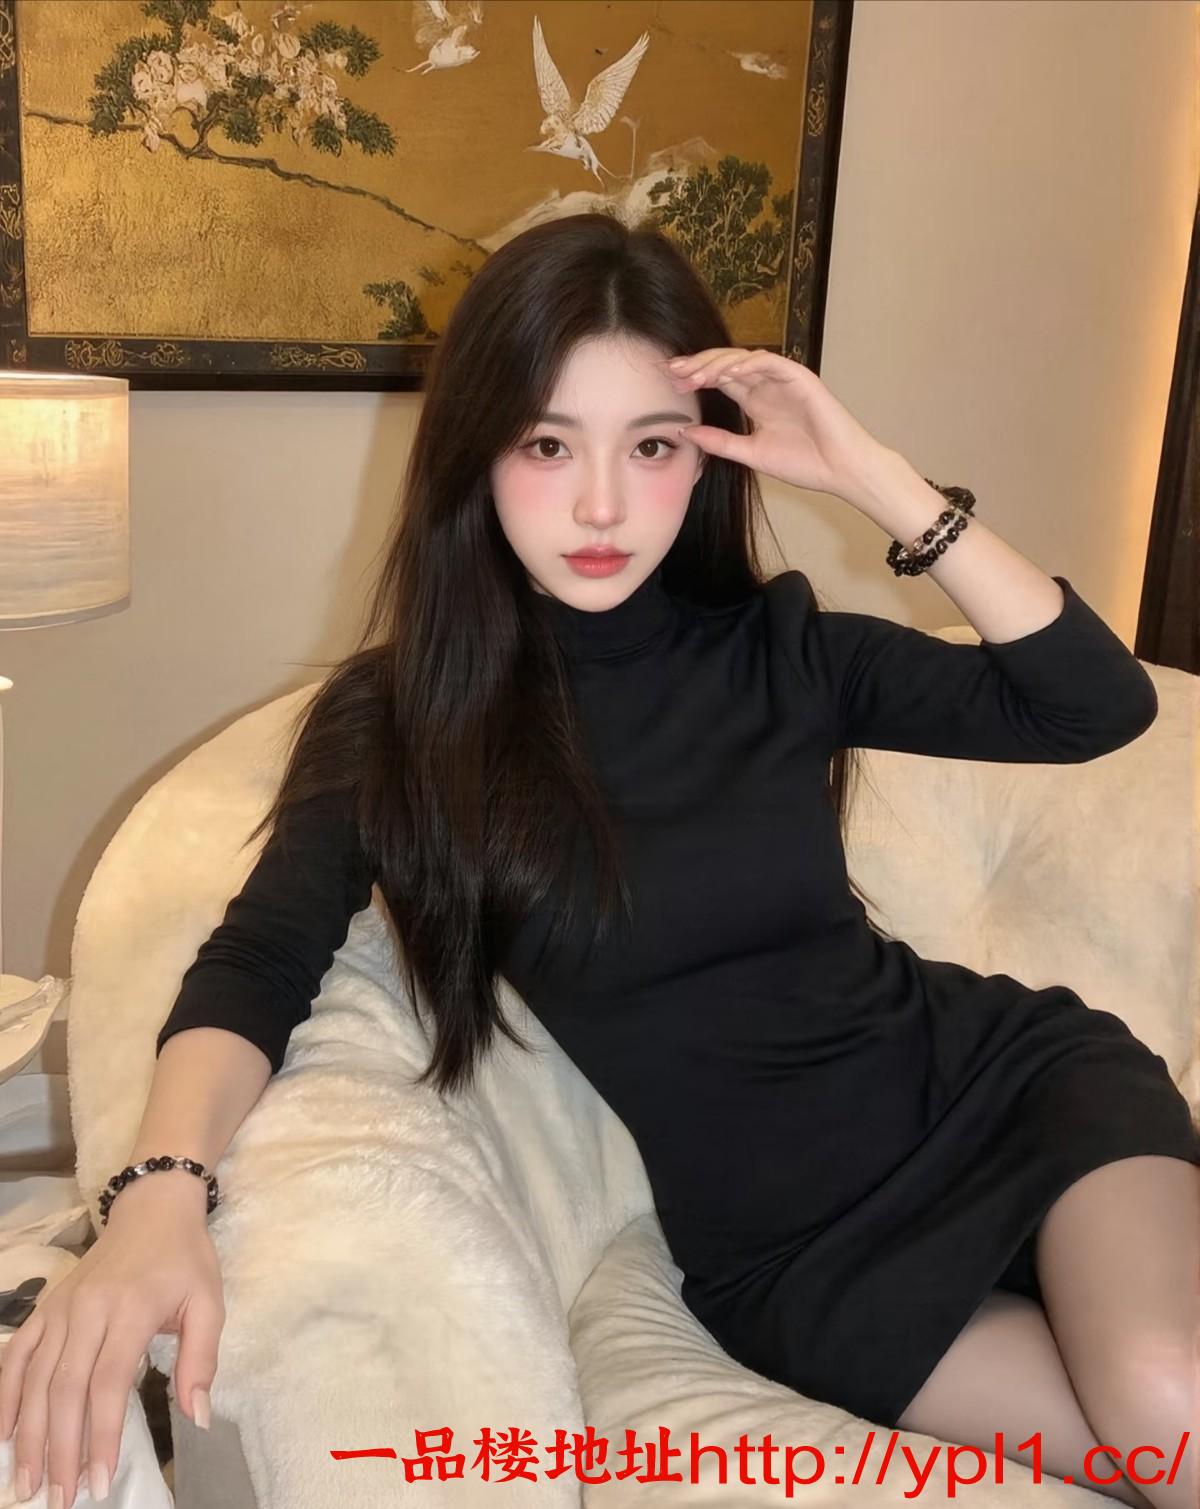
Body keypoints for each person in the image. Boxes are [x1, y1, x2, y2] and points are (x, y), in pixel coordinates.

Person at [3, 212, 1197, 1509]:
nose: (601, 506)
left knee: (1165, 1399)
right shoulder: (400, 721)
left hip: (1006, 1095)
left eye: (653, 446)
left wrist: (876, 478)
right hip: (800, 1259)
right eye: (547, 444)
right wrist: (159, 1194)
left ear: (706, 458)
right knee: (1160, 1457)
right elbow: (259, 957)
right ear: (476, 453)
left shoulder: (782, 650)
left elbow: (1094, 706)